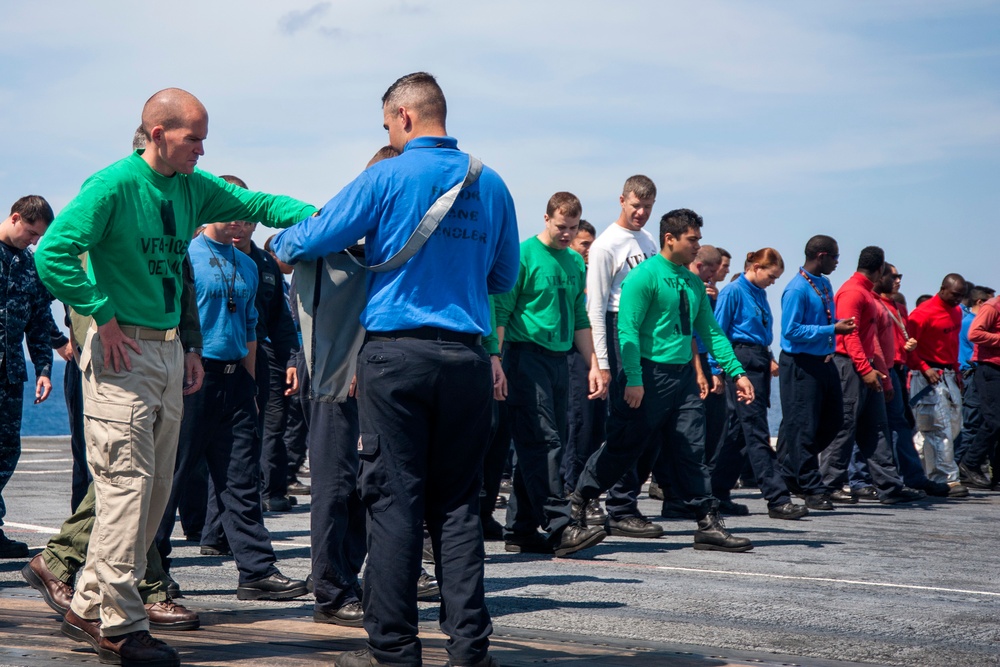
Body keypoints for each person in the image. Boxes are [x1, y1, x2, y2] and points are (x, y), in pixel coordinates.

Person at [34, 88, 316, 666]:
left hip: (165, 352)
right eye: (193, 138)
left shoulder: (192, 188)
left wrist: (327, 217)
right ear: (157, 134)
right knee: (127, 488)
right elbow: (54, 252)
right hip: (121, 352)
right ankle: (120, 621)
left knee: (157, 488)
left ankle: (88, 603)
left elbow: (258, 203)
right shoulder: (113, 185)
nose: (203, 150)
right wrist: (102, 316)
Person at [271, 72, 519, 667]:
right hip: (465, 358)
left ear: (404, 116)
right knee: (459, 506)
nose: (388, 132)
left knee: (393, 502)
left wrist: (281, 240)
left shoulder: (385, 175)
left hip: (395, 356)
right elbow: (504, 278)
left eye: (387, 124)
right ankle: (469, 650)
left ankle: (395, 649)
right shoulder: (494, 184)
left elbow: (312, 237)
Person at [572, 208, 756, 553]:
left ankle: (706, 521)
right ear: (670, 239)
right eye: (692, 240)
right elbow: (626, 330)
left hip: (682, 376)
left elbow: (710, 331)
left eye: (699, 240)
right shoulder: (644, 276)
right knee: (624, 446)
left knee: (693, 447)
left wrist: (737, 372)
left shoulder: (690, 282)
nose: (697, 247)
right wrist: (635, 380)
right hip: (646, 374)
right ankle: (580, 499)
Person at [156, 201, 309, 601]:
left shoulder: (249, 265)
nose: (239, 222)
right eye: (231, 214)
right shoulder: (186, 254)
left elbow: (252, 328)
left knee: (242, 480)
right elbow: (170, 317)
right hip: (192, 378)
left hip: (236, 380)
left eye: (245, 217)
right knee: (170, 479)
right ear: (209, 214)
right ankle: (154, 569)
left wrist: (252, 386)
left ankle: (256, 572)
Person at [494, 192, 612, 551]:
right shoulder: (523, 255)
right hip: (524, 357)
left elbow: (579, 318)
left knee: (546, 442)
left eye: (573, 228)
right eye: (562, 226)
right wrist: (494, 361)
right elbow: (500, 313)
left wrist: (594, 364)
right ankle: (561, 526)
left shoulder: (576, 262)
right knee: (543, 443)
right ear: (546, 218)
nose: (567, 234)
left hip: (560, 362)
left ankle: (521, 529)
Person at [817, 246, 924, 505]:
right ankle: (829, 484)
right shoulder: (854, 292)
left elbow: (871, 338)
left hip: (867, 367)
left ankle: (889, 486)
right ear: (879, 270)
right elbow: (849, 334)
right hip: (851, 366)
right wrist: (865, 369)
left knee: (877, 428)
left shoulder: (865, 293)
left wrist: (883, 374)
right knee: (845, 425)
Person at [584, 175, 660, 534]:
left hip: (645, 333)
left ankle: (622, 498)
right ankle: (618, 504)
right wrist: (601, 362)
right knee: (626, 420)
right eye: (635, 206)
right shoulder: (605, 246)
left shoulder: (648, 242)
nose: (641, 213)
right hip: (616, 331)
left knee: (646, 423)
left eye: (647, 207)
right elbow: (595, 308)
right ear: (621, 200)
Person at [711, 248, 809, 520]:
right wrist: (716, 370)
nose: (773, 281)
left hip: (758, 359)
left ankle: (716, 494)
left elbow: (763, 332)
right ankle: (777, 498)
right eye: (771, 275)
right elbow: (717, 331)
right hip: (740, 361)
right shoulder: (733, 292)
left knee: (738, 435)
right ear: (755, 267)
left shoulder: (760, 294)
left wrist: (769, 357)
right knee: (756, 431)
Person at [0, 195, 58, 558]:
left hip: (9, 376)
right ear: (16, 217)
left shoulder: (28, 265)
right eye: (31, 234)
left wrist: (45, 368)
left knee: (6, 452)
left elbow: (38, 324)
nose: (33, 241)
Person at [871, 265, 950, 497]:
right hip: (883, 369)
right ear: (880, 276)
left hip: (898, 368)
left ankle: (909, 477)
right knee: (889, 424)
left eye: (899, 277)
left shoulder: (898, 308)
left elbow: (905, 345)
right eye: (893, 276)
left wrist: (920, 365)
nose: (898, 281)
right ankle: (905, 477)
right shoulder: (876, 305)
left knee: (901, 424)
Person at [906, 274, 969, 496]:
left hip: (948, 374)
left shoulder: (957, 311)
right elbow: (908, 347)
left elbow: (950, 344)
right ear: (942, 289)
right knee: (937, 427)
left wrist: (957, 372)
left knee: (952, 426)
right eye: (954, 295)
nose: (958, 300)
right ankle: (946, 478)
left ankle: (922, 472)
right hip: (926, 376)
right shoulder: (922, 314)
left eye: (961, 296)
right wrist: (924, 367)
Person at [561, 220, 607, 523]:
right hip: (570, 355)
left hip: (594, 356)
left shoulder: (591, 275)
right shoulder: (569, 272)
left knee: (596, 428)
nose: (589, 251)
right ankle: (570, 495)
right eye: (584, 244)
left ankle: (586, 493)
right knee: (578, 426)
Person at [958, 294, 1000, 488]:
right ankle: (970, 463)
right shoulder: (993, 306)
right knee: (994, 421)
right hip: (990, 369)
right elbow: (974, 333)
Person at [956, 284, 994, 464]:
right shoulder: (971, 322)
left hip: (973, 372)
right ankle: (963, 462)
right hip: (972, 373)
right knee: (973, 422)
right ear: (980, 302)